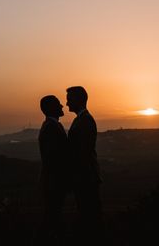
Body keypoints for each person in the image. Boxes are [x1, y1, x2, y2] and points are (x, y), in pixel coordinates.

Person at [66, 85, 102, 241]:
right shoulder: (80, 120)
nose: (67, 104)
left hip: (86, 178)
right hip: (84, 177)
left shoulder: (85, 121)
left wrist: (77, 177)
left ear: (77, 100)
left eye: (69, 100)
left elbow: (83, 153)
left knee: (89, 217)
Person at [38, 95, 69, 242]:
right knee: (52, 219)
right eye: (58, 104)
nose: (62, 106)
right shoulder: (51, 128)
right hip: (53, 183)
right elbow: (54, 159)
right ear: (50, 108)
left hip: (53, 182)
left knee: (53, 218)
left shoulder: (54, 126)